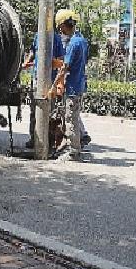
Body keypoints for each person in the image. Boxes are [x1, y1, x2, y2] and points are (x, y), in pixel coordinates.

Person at [53, 9, 90, 158]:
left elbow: (64, 68)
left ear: (64, 25)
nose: (60, 31)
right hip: (80, 84)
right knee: (73, 116)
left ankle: (74, 152)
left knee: (70, 120)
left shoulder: (73, 44)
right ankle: (78, 142)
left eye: (60, 28)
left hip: (73, 87)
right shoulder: (82, 40)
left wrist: (53, 86)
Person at [23, 30, 65, 149]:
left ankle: (48, 141)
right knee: (34, 110)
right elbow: (32, 52)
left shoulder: (56, 38)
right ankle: (33, 138)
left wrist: (58, 83)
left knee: (48, 112)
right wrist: (26, 63)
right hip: (36, 78)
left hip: (49, 81)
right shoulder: (38, 35)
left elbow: (61, 59)